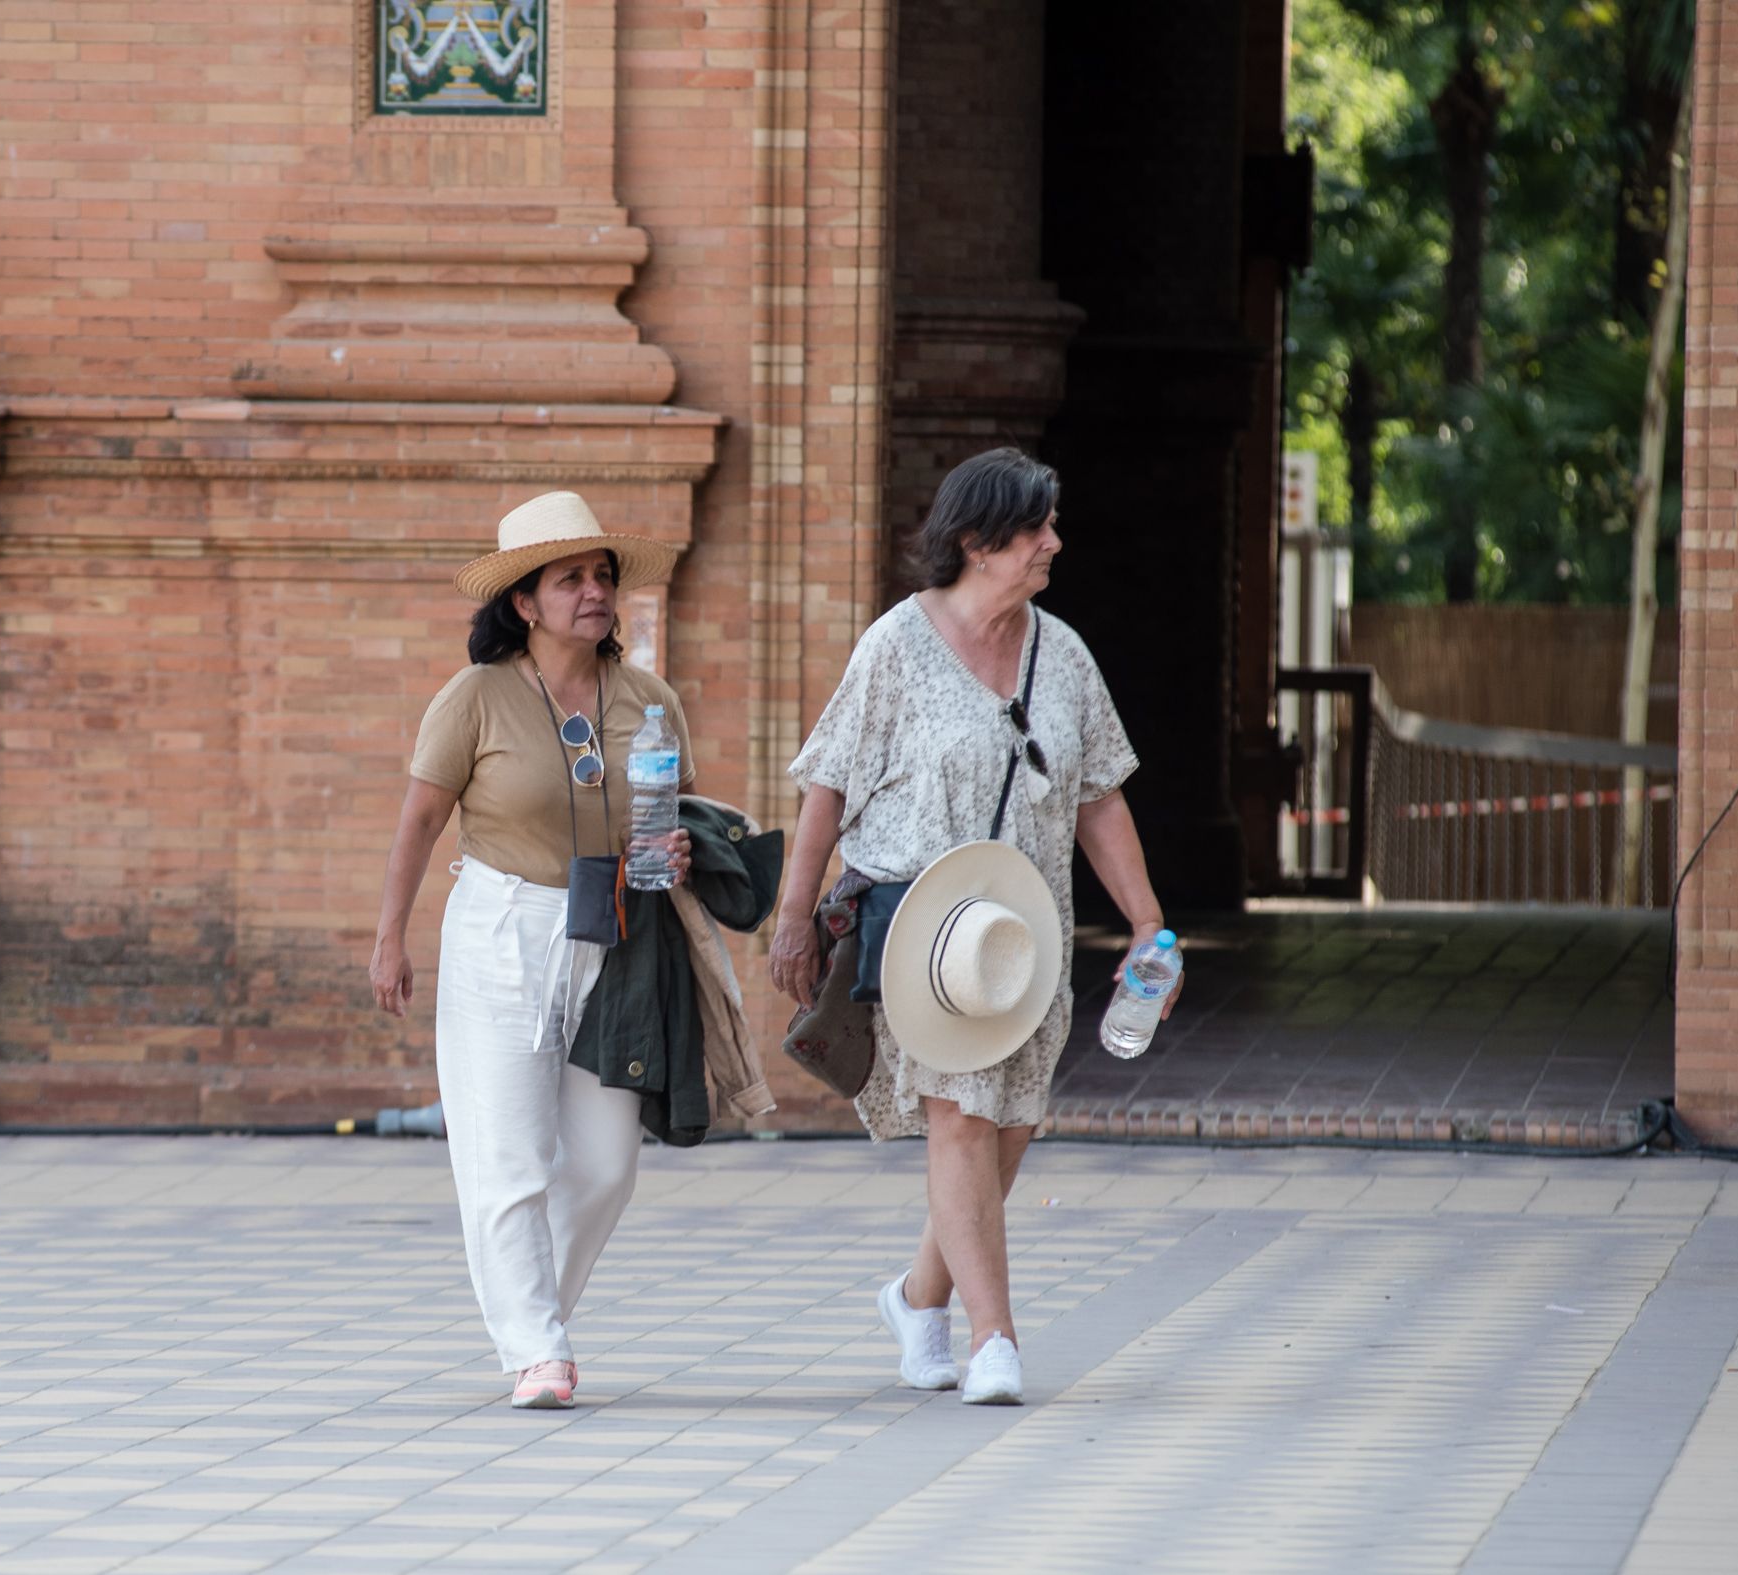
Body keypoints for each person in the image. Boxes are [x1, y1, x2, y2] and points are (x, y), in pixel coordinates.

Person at [767, 446, 1178, 1405]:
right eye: (1035, 527)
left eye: (1050, 525)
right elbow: (827, 783)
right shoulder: (895, 645)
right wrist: (792, 915)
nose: (1053, 542)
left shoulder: (1061, 653)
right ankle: (994, 1337)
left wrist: (1148, 924)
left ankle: (918, 1299)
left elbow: (1098, 797)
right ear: (976, 542)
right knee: (959, 1116)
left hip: (1023, 936)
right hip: (924, 935)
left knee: (1007, 1127)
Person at [370, 491, 695, 1410]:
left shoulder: (650, 700)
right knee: (505, 1152)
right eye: (570, 579)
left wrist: (679, 849)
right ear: (524, 602)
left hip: (618, 931)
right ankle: (536, 1347)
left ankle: (534, 1319)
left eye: (602, 576)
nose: (594, 592)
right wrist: (390, 937)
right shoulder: (475, 697)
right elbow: (419, 820)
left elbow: (680, 816)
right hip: (502, 926)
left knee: (606, 1163)